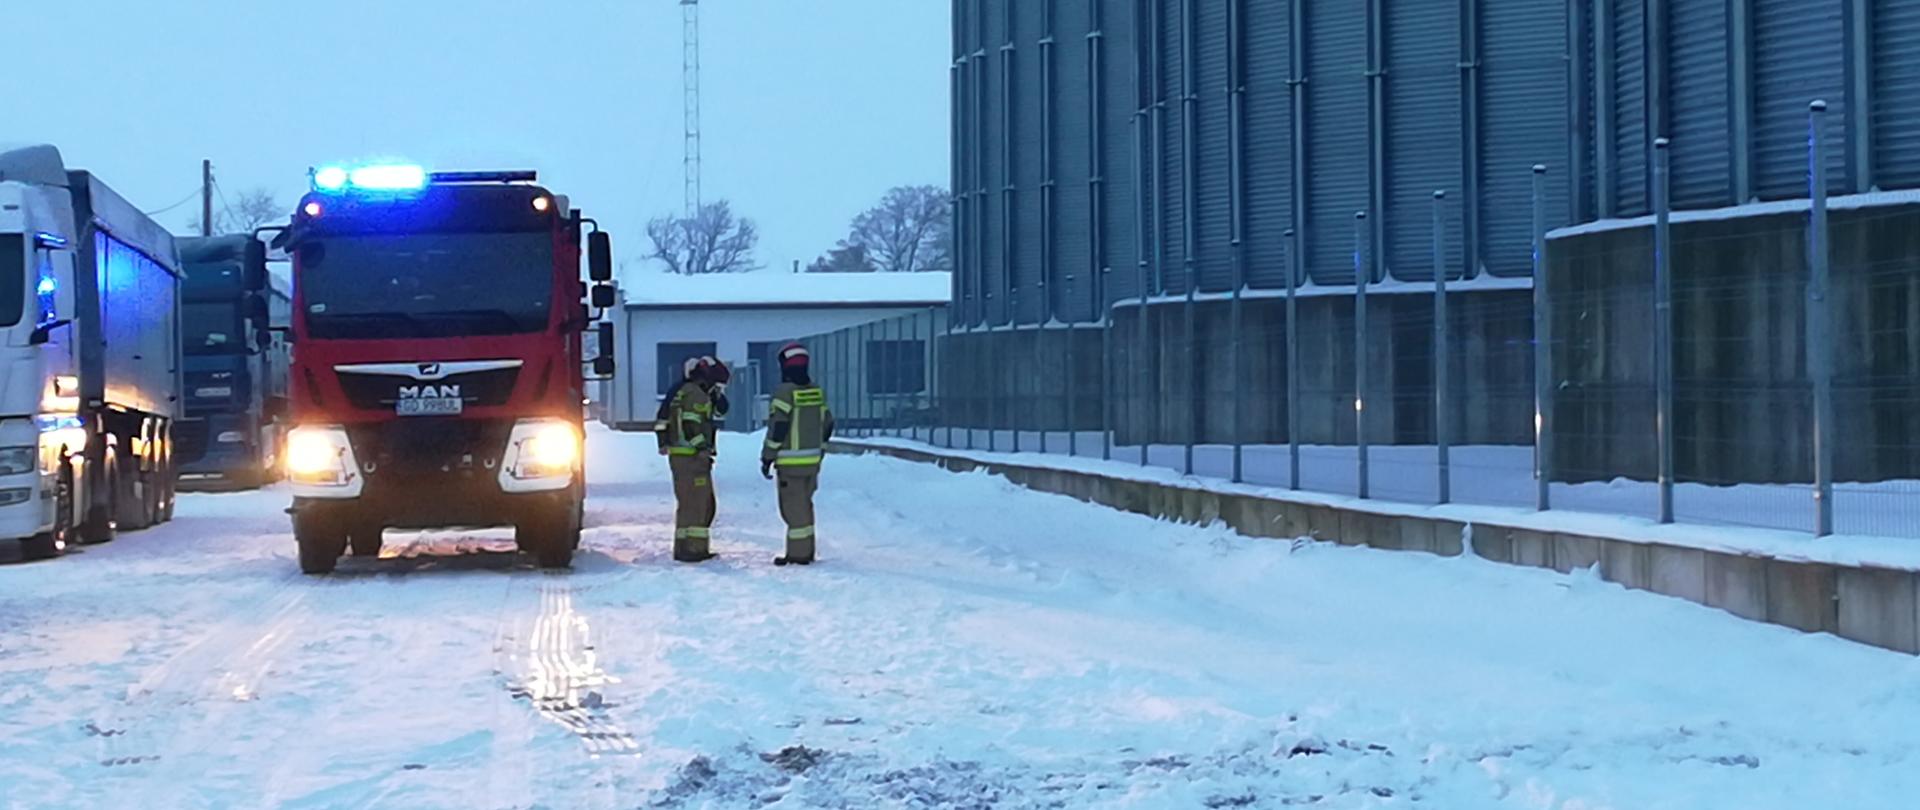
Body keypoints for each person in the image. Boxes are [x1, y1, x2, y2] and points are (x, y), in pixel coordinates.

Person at [760, 343, 833, 566]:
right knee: (805, 506)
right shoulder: (816, 391)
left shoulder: (785, 392)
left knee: (793, 510)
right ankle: (807, 550)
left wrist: (768, 455)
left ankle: (798, 555)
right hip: (812, 462)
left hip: (790, 464)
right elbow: (828, 423)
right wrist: (819, 448)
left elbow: (778, 427)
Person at [663, 358, 722, 563]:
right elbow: (691, 424)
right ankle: (696, 550)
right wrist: (702, 448)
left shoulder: (682, 391)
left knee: (687, 503)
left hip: (681, 457)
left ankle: (683, 547)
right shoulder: (696, 394)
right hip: (692, 457)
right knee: (700, 504)